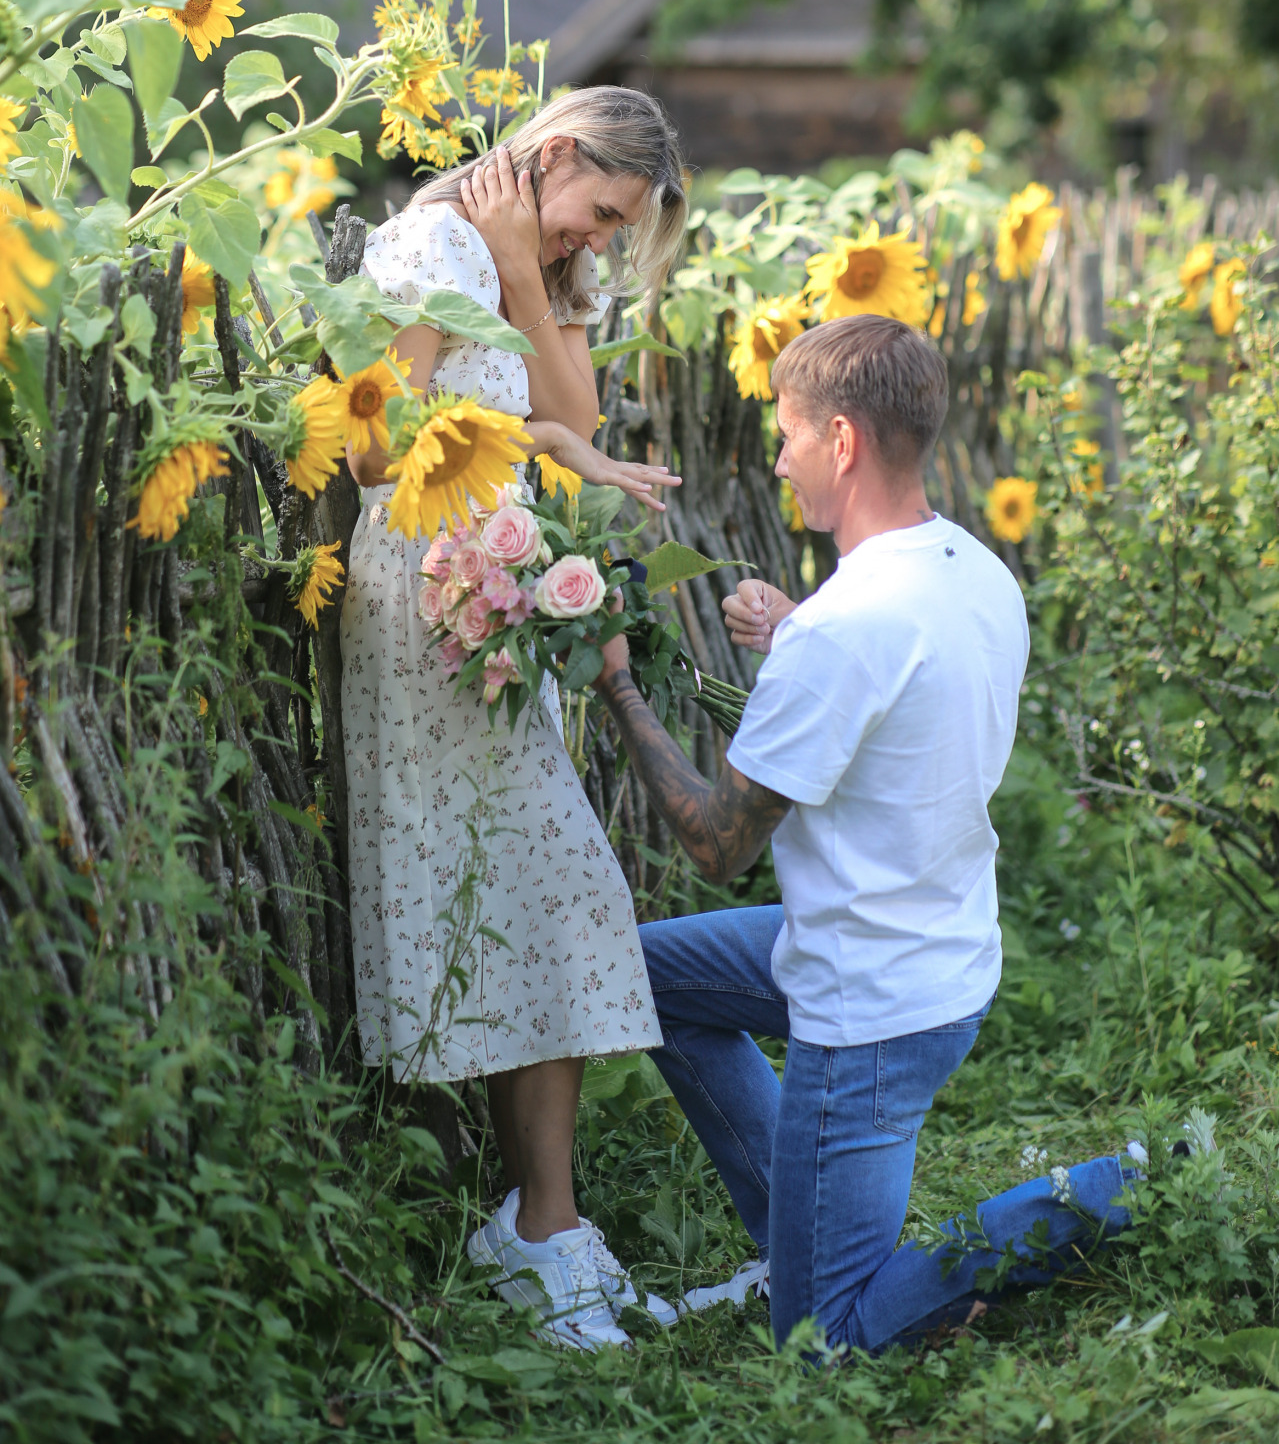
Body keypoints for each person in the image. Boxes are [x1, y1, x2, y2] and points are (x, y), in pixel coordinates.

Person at [593, 313, 1140, 1354]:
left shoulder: (842, 635)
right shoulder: (967, 570)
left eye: (789, 434)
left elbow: (716, 845)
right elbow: (899, 693)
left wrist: (620, 686)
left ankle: (1103, 1193)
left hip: (871, 1010)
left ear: (841, 441)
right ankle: (787, 1231)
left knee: (826, 1342)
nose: (779, 458)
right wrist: (794, 629)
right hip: (932, 946)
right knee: (643, 974)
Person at [341, 86, 689, 1350]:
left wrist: (527, 282)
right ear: (550, 157)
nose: (591, 241)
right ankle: (536, 1238)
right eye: (593, 212)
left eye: (611, 231)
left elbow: (574, 421)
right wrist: (526, 425)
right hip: (427, 593)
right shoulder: (429, 247)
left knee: (541, 896)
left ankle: (541, 1233)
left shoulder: (517, 259)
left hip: (495, 598)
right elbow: (378, 448)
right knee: (551, 890)